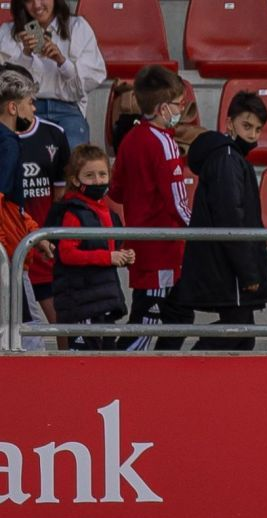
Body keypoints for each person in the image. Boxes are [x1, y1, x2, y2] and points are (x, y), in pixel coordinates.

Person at [176, 91, 267, 351]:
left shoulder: (229, 158)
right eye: (246, 125)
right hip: (228, 267)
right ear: (229, 123)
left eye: (257, 129)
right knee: (237, 330)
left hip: (225, 263)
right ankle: (188, 372)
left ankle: (219, 388)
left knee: (243, 334)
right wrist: (248, 272)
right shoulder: (228, 159)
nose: (252, 135)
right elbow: (231, 216)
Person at [109, 64, 193, 351]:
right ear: (162, 108)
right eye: (178, 105)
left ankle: (158, 379)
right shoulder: (165, 144)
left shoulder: (130, 140)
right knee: (146, 327)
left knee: (177, 317)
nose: (182, 109)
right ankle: (119, 381)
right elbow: (178, 203)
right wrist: (201, 231)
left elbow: (116, 191)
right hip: (163, 248)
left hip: (141, 244)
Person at [1, 62, 69, 343]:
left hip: (11, 249)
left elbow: (14, 207)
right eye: (30, 103)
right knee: (29, 338)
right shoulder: (8, 144)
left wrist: (32, 233)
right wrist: (12, 247)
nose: (34, 109)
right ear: (13, 108)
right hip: (8, 256)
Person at [52, 144, 131, 350]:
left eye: (102, 174)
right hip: (80, 304)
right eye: (90, 175)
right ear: (75, 180)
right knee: (83, 368)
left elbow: (108, 247)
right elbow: (67, 254)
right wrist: (108, 257)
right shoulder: (73, 212)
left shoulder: (107, 211)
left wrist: (122, 255)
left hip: (102, 301)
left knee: (106, 366)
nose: (98, 181)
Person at [0, 0, 106, 149]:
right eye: (29, 0)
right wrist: (25, 55)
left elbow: (91, 79)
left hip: (68, 109)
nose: (37, 5)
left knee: (74, 160)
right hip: (24, 110)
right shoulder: (7, 32)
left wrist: (61, 61)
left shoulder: (77, 27)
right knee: (22, 157)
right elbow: (6, 86)